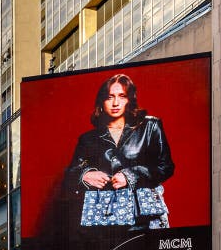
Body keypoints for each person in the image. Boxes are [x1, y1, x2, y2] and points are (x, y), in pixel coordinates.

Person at [65, 73, 175, 231]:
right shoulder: (88, 139)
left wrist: (131, 175)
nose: (115, 103)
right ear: (101, 102)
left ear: (129, 100)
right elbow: (71, 173)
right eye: (110, 97)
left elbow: (166, 167)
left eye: (122, 96)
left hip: (146, 217)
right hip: (106, 219)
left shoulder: (150, 126)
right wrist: (86, 174)